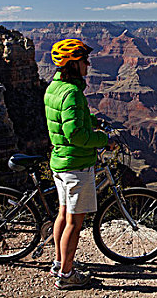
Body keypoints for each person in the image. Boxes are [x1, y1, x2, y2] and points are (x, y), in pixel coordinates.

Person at [44, 39, 111, 290]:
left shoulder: (56, 88)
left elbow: (70, 117)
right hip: (76, 165)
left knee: (63, 214)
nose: (89, 64)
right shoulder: (72, 92)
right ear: (73, 63)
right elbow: (76, 135)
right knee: (74, 222)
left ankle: (59, 262)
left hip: (60, 163)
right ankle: (66, 274)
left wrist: (92, 120)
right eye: (84, 60)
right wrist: (103, 139)